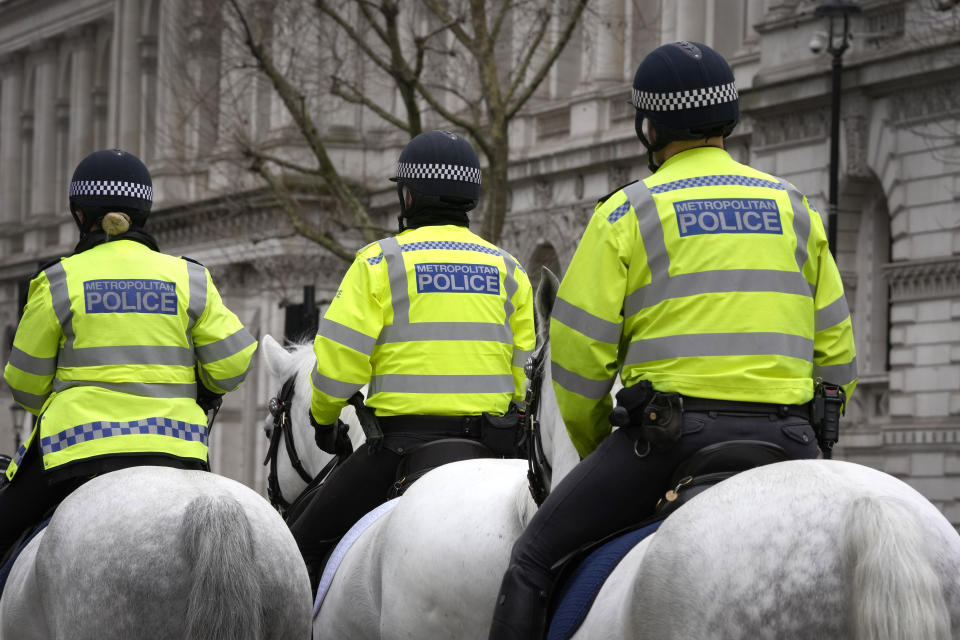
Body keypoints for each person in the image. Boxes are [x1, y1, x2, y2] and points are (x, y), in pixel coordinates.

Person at [487, 41, 858, 639]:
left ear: (648, 127)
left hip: (667, 442)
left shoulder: (628, 213)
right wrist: (816, 429)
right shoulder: (794, 208)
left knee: (531, 560)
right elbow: (839, 354)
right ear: (728, 119)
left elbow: (578, 362)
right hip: (788, 439)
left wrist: (593, 440)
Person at [286, 130, 536, 589]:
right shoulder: (509, 269)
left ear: (408, 194)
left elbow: (340, 366)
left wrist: (324, 420)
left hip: (400, 448)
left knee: (294, 552)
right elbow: (523, 374)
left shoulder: (379, 263)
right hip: (496, 447)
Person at [0, 149, 258, 562]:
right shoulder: (189, 276)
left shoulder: (59, 280)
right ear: (144, 212)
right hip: (178, 447)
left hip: (74, 450)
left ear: (80, 215)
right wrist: (202, 391)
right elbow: (233, 364)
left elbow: (24, 382)